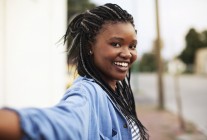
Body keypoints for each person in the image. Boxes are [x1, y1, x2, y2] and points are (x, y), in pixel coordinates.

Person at [0, 3, 149, 140]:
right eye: (116, 44)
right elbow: (62, 123)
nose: (127, 53)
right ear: (90, 46)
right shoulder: (88, 91)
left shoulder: (117, 91)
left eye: (132, 46)